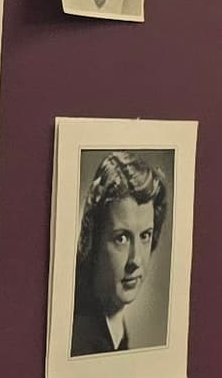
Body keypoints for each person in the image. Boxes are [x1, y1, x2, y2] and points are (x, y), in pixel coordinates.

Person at [65, 152, 168, 356]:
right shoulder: (76, 333)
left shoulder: (113, 320)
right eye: (121, 238)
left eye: (145, 235)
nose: (136, 260)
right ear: (94, 239)